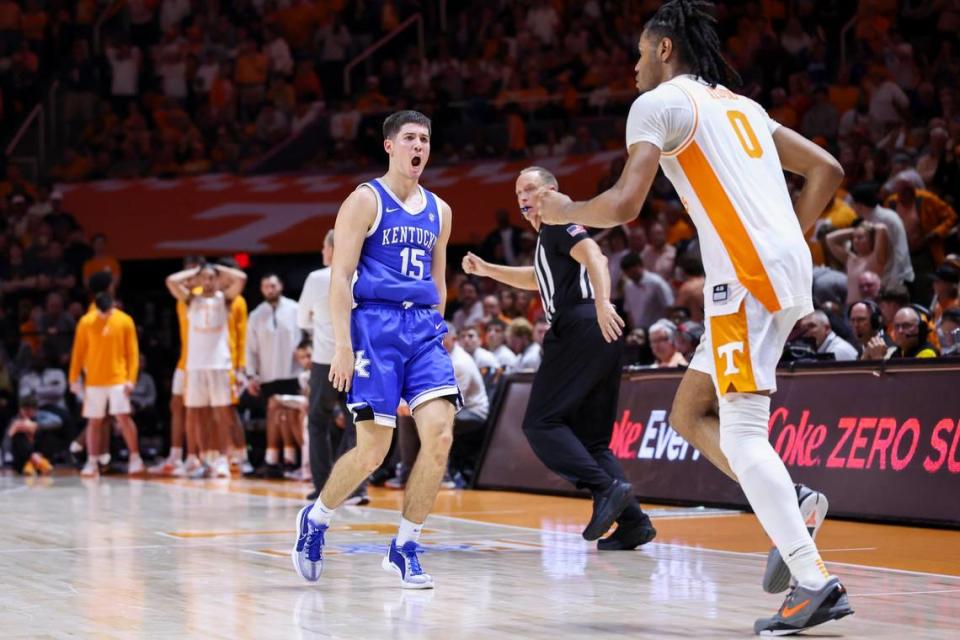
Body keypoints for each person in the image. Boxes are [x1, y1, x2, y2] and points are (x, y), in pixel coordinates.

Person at [536, 2, 851, 633]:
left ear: (662, 50)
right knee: (689, 412)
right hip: (782, 264)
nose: (630, 68)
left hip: (744, 276)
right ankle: (793, 504)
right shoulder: (742, 105)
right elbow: (828, 169)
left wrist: (563, 206)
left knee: (739, 431)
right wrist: (788, 238)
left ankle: (812, 578)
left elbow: (625, 206)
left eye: (637, 52)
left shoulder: (659, 103)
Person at [293, 110, 459, 589]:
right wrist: (342, 346)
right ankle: (317, 518)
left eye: (425, 139)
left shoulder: (440, 210)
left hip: (423, 329)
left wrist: (438, 330)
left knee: (441, 435)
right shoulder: (365, 200)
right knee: (372, 452)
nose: (419, 146)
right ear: (389, 145)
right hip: (374, 328)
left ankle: (405, 546)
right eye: (409, 138)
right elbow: (340, 278)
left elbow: (438, 280)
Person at [463, 166, 656, 550]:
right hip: (597, 330)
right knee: (593, 442)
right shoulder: (548, 240)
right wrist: (487, 269)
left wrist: (602, 302)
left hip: (581, 324)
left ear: (551, 191)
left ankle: (604, 489)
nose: (524, 195)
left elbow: (596, 257)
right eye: (519, 191)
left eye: (531, 188)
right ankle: (633, 522)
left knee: (540, 424)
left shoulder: (558, 220)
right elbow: (537, 278)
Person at [298, 230, 367, 504]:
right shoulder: (363, 275)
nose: (322, 252)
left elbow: (302, 319)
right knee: (357, 424)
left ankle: (324, 489)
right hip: (358, 361)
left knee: (317, 423)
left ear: (331, 248)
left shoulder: (317, 278)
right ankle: (355, 489)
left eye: (324, 247)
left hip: (326, 360)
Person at [165, 262, 247, 478]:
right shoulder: (191, 300)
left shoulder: (225, 299)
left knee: (221, 413)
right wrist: (197, 271)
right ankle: (199, 459)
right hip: (195, 365)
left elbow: (241, 279)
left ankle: (222, 459)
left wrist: (217, 268)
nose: (208, 282)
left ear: (218, 280)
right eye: (205, 278)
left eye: (212, 278)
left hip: (220, 364)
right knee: (195, 413)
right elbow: (171, 281)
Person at [69, 290, 142, 477]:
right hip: (94, 379)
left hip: (118, 377)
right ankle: (92, 461)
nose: (106, 315)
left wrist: (131, 379)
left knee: (123, 417)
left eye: (108, 311)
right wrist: (73, 378)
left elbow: (133, 353)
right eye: (102, 312)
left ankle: (135, 457)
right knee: (94, 421)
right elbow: (78, 352)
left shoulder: (125, 321)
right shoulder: (86, 321)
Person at [150, 255, 201, 477]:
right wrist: (191, 272)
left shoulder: (199, 297)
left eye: (193, 273)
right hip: (184, 360)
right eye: (186, 272)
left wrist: (196, 273)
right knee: (176, 405)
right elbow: (171, 281)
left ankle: (193, 457)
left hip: (200, 362)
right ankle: (175, 455)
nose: (188, 278)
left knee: (194, 411)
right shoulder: (183, 296)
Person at [246, 273, 302, 477]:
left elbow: (306, 337)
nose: (270, 289)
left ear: (280, 286)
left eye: (273, 285)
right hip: (268, 373)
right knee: (275, 415)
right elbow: (250, 349)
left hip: (293, 372)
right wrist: (251, 375)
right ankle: (276, 459)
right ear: (261, 289)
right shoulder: (256, 315)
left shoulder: (295, 309)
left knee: (287, 416)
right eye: (266, 286)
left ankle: (290, 459)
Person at [825, 222, 890, 305]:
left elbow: (882, 228)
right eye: (853, 238)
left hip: (870, 306)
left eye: (860, 237)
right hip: (851, 308)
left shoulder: (877, 258)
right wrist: (855, 230)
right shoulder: (851, 259)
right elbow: (829, 239)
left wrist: (868, 228)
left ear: (871, 240)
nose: (855, 241)